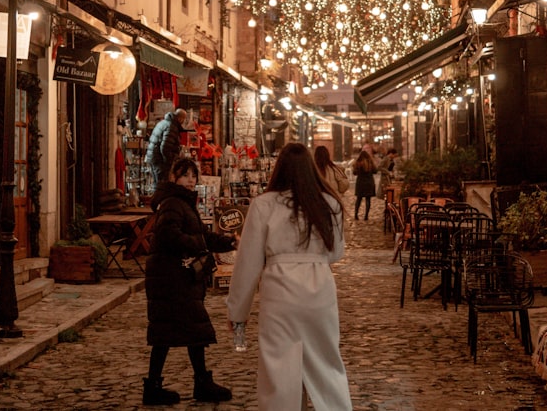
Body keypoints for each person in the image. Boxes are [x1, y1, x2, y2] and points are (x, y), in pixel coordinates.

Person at [226, 143, 351, 411]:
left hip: (280, 292)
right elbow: (336, 252)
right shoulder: (330, 203)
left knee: (279, 368)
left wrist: (238, 313)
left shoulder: (263, 205)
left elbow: (248, 263)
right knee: (326, 362)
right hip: (319, 289)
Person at [143, 158, 237, 406]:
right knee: (185, 330)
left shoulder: (182, 202)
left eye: (193, 176)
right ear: (174, 177)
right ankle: (192, 384)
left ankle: (182, 383)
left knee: (186, 330)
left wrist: (225, 241)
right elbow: (168, 235)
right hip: (172, 278)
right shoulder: (173, 203)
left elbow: (201, 235)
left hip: (175, 278)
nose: (191, 180)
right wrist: (200, 245)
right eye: (185, 175)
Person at [144, 108, 187, 185]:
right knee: (161, 184)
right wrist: (169, 162)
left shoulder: (164, 123)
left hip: (154, 157)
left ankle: (157, 196)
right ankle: (159, 197)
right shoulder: (171, 127)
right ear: (180, 118)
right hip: (160, 160)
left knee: (157, 183)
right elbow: (165, 148)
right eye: (184, 119)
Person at [352, 149, 377, 220]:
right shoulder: (370, 162)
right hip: (369, 182)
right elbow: (375, 171)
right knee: (368, 200)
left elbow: (354, 173)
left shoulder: (358, 163)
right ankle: (366, 216)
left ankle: (356, 215)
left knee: (358, 199)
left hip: (360, 183)